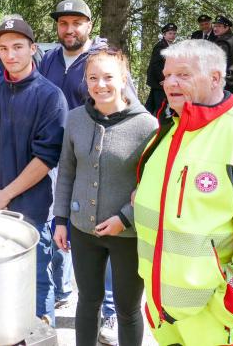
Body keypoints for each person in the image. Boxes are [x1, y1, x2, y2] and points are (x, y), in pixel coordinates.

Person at [134, 39, 233, 345]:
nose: (170, 83)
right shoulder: (168, 130)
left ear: (216, 78)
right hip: (162, 312)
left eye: (183, 75)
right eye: (167, 76)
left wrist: (226, 311)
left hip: (211, 320)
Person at [39, 0, 130, 344]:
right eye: (63, 23)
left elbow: (127, 107)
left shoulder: (101, 62)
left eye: (77, 22)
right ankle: (62, 289)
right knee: (58, 224)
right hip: (54, 160)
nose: (69, 29)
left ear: (89, 26)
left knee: (100, 233)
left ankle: (108, 311)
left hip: (94, 163)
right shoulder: (48, 60)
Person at [54, 47, 157, 346]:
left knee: (126, 309)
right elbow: (67, 173)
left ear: (124, 79)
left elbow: (152, 186)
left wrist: (125, 218)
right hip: (83, 231)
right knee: (87, 301)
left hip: (127, 235)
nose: (100, 85)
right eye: (93, 78)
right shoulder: (75, 120)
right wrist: (61, 219)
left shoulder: (146, 126)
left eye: (108, 77)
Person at [0, 17, 68, 324]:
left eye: (17, 47)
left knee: (36, 285)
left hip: (32, 209)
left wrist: (5, 195)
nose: (10, 55)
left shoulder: (50, 96)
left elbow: (45, 159)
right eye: (4, 48)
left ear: (33, 48)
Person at [145, 23, 177, 115]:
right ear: (164, 34)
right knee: (160, 106)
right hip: (158, 82)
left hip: (162, 81)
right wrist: (164, 79)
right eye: (170, 33)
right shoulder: (160, 46)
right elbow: (156, 65)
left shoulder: (171, 47)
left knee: (151, 105)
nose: (172, 36)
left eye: (174, 33)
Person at [212, 15, 233, 94]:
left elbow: (218, 62)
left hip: (224, 81)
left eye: (219, 26)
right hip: (232, 80)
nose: (215, 29)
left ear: (227, 27)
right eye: (214, 26)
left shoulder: (223, 41)